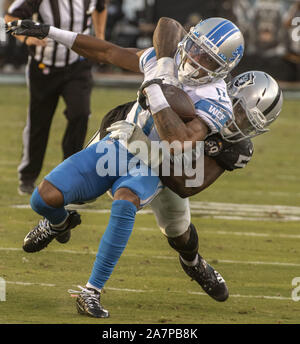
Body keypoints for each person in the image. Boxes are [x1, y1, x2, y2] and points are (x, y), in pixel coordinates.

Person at [6, 16, 246, 318]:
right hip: (122, 143)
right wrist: (51, 32)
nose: (196, 60)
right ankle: (58, 223)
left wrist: (156, 91)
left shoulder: (217, 98)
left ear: (223, 69)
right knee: (43, 199)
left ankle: (92, 291)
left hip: (160, 163)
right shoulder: (167, 61)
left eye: (208, 59)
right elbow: (109, 52)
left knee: (138, 209)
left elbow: (179, 139)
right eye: (196, 49)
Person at [4, 0, 108, 195]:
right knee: (39, 122)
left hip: (77, 65)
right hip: (44, 68)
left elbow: (100, 8)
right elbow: (10, 17)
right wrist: (26, 39)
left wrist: (100, 37)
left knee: (80, 114)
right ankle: (27, 177)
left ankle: (71, 174)